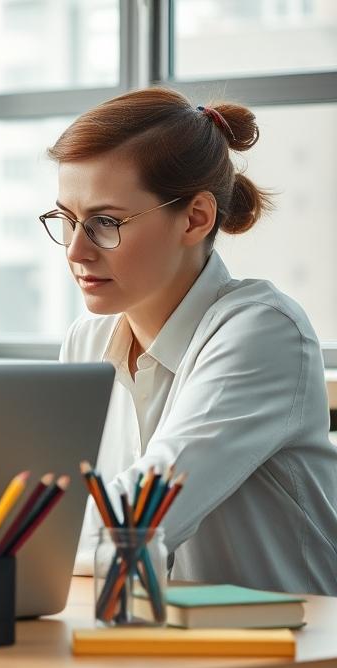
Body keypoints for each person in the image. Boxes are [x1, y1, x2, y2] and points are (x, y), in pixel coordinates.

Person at [45, 87, 337, 598]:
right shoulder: (86, 341)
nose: (76, 250)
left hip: (293, 656)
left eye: (105, 223)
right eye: (66, 220)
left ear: (196, 218)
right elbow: (59, 520)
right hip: (155, 640)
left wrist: (19, 541)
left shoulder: (263, 331)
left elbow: (136, 525)